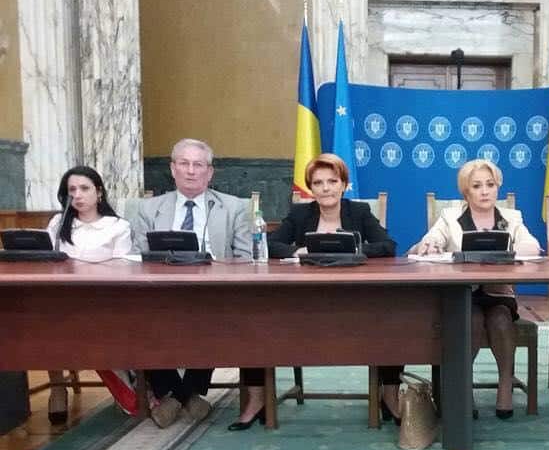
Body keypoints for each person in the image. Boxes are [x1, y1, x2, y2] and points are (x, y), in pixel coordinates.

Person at [226, 154, 399, 431]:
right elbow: (271, 244)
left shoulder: (359, 212)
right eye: (318, 183)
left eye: (332, 181)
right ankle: (257, 399)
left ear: (344, 185)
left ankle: (389, 394)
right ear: (311, 188)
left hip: (355, 300)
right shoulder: (300, 214)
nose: (326, 188)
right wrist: (298, 250)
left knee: (395, 316)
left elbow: (388, 246)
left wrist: (349, 248)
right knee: (253, 317)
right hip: (302, 302)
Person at [130, 138, 252, 428]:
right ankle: (184, 395)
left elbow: (245, 258)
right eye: (184, 163)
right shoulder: (148, 209)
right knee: (141, 317)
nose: (191, 170)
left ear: (210, 172)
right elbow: (137, 258)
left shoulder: (234, 207)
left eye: (198, 164)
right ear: (172, 169)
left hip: (214, 292)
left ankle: (177, 396)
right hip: (161, 292)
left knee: (211, 314)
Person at [414, 159, 541, 418]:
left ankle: (505, 383)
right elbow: (431, 239)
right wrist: (431, 243)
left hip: (498, 293)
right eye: (477, 186)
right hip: (462, 293)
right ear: (466, 192)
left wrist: (503, 250)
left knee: (501, 319)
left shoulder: (511, 217)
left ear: (497, 187)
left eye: (490, 185)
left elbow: (532, 247)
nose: (485, 191)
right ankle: (464, 386)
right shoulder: (450, 217)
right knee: (470, 320)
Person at [45, 166, 133, 423]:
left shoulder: (117, 226)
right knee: (44, 321)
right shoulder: (58, 224)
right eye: (72, 190)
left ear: (99, 192)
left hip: (103, 301)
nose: (77, 195)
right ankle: (57, 386)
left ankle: (126, 386)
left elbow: (124, 269)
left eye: (84, 188)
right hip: (62, 300)